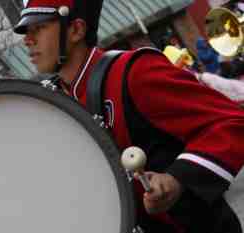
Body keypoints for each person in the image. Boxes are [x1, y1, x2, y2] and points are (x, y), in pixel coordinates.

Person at [14, 1, 244, 232]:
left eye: (39, 28)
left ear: (76, 30)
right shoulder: (52, 107)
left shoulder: (134, 72)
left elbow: (231, 121)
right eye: (26, 32)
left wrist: (177, 179)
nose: (27, 40)